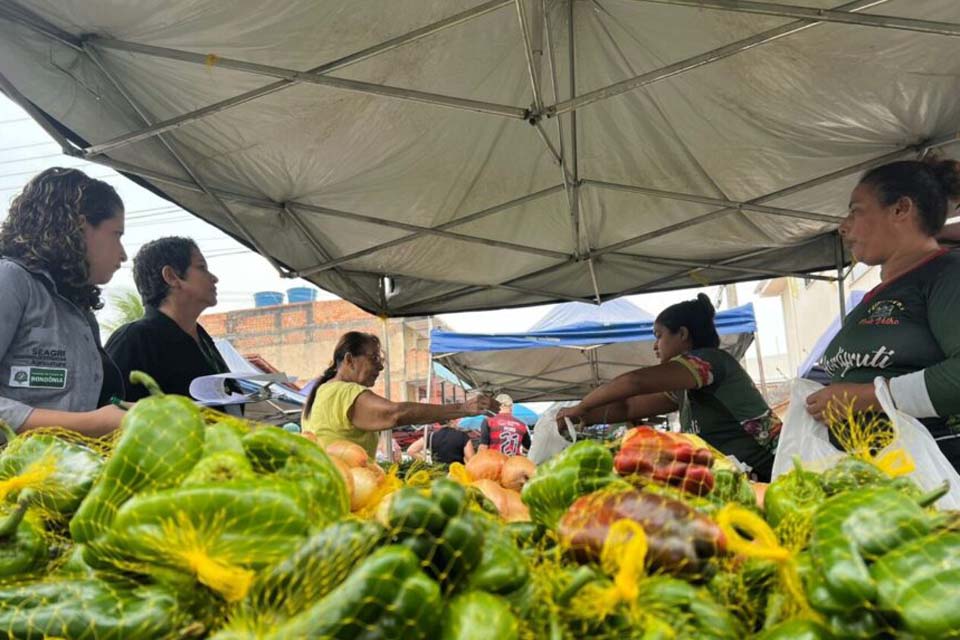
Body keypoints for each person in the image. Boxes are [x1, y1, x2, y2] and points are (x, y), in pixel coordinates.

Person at [805, 157, 960, 471]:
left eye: (856, 210)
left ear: (901, 209)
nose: (843, 226)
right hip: (872, 474)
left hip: (934, 475)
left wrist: (868, 396)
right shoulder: (879, 294)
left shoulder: (946, 273)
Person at [557, 294, 781, 481]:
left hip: (768, 473)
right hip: (735, 477)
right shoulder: (683, 387)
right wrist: (585, 417)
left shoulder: (710, 362)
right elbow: (628, 408)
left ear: (682, 334)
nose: (655, 346)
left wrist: (581, 406)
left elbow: (635, 382)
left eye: (659, 335)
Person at [0, 167, 128, 438]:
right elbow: (90, 421)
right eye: (117, 234)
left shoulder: (80, 311)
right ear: (81, 226)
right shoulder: (10, 280)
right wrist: (95, 423)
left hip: (64, 475)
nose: (124, 254)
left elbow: (83, 407)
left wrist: (125, 412)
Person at [302, 331, 499, 457]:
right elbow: (396, 413)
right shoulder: (344, 392)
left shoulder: (321, 392)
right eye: (374, 358)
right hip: (345, 492)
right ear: (349, 360)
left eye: (381, 360)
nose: (380, 366)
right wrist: (463, 408)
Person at [106, 237, 234, 406]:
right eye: (202, 267)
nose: (214, 278)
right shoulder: (134, 340)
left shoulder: (202, 338)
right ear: (172, 276)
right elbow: (110, 410)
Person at [407, 420, 476, 464]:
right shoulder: (463, 436)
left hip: (438, 474)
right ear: (452, 421)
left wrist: (426, 461)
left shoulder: (431, 435)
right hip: (457, 473)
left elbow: (411, 450)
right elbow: (471, 460)